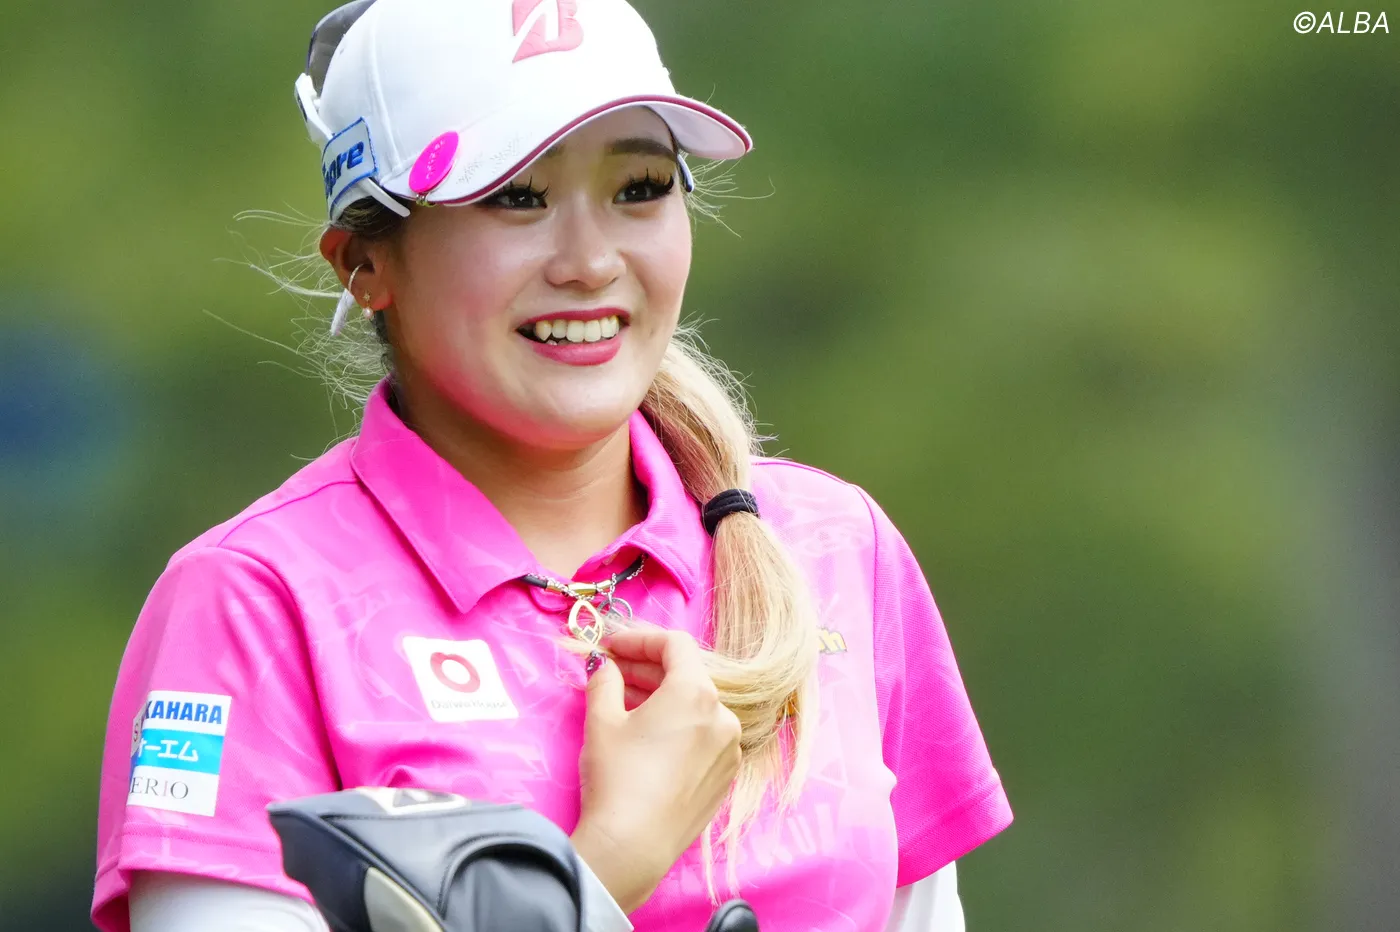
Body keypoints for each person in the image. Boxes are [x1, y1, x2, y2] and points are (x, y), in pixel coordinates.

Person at [91, 1, 1013, 930]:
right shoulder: (252, 603)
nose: (590, 261)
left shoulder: (834, 545)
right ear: (364, 263)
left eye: (640, 187)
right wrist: (609, 862)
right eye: (516, 197)